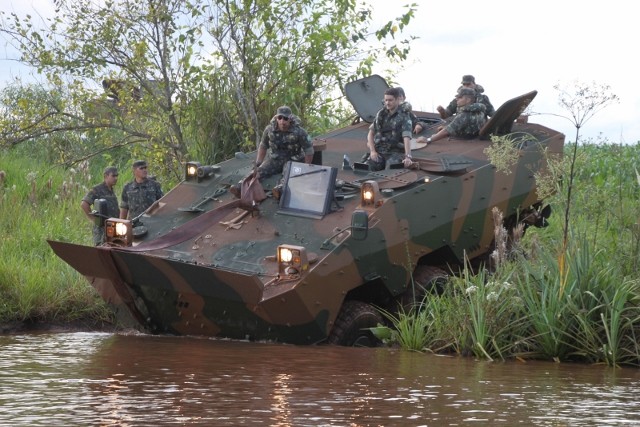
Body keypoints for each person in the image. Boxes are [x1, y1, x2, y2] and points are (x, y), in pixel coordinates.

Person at [230, 106, 313, 197]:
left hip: (293, 159)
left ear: (290, 119)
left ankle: (280, 190)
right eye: (280, 118)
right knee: (259, 171)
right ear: (276, 118)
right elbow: (263, 145)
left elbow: (308, 150)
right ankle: (241, 186)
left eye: (285, 118)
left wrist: (306, 166)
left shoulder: (300, 132)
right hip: (275, 158)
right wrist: (259, 162)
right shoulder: (269, 129)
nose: (282, 121)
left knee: (288, 174)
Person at [366, 87, 414, 171]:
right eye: (386, 100)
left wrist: (407, 156)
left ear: (397, 100)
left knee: (391, 171)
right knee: (365, 168)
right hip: (379, 151)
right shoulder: (381, 114)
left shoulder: (404, 116)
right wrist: (372, 151)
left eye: (390, 100)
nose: (387, 103)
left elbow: (406, 137)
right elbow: (371, 133)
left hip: (395, 152)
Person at [418, 87, 487, 144]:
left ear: (468, 100)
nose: (457, 99)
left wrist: (429, 139)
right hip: (473, 139)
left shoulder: (465, 115)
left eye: (460, 97)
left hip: (461, 142)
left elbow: (446, 131)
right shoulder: (479, 111)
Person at [80, 166, 120, 246]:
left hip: (112, 228)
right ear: (106, 176)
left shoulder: (111, 190)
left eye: (117, 176)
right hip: (101, 230)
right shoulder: (97, 189)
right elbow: (84, 204)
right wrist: (94, 219)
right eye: (113, 176)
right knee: (101, 252)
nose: (116, 178)